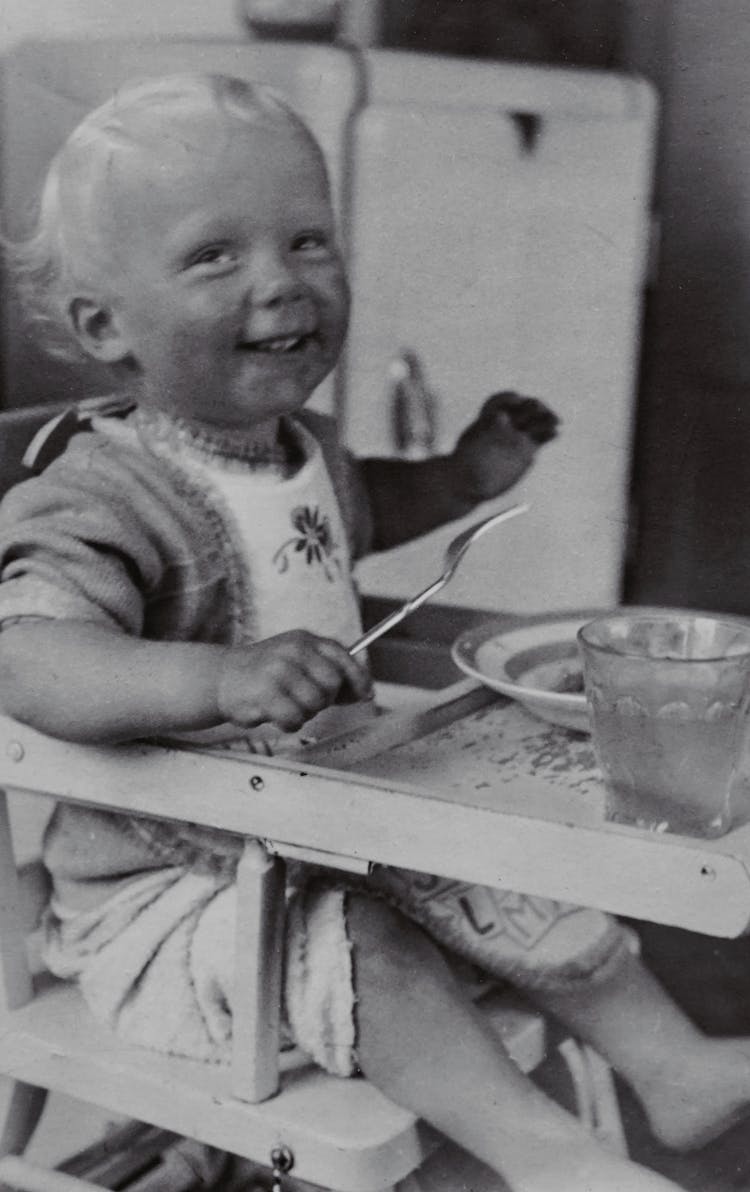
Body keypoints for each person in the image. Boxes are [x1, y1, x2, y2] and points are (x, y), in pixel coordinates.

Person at [0, 73, 747, 1192]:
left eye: (309, 241)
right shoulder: (105, 491)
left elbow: (365, 514)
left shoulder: (303, 448)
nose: (282, 284)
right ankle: (554, 1162)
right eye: (216, 256)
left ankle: (672, 1064)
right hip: (173, 891)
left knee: (511, 879)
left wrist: (468, 473)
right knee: (371, 942)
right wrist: (221, 677)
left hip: (325, 823)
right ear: (105, 326)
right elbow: (32, 656)